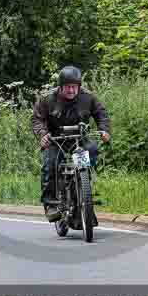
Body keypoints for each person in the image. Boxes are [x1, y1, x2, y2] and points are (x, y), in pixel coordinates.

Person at [31, 66, 111, 222]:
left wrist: (104, 130)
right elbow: (36, 119)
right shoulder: (48, 99)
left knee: (92, 150)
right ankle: (51, 204)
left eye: (74, 86)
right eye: (68, 86)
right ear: (61, 86)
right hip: (55, 140)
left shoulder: (88, 97)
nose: (71, 90)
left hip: (79, 139)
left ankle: (83, 187)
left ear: (79, 86)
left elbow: (102, 114)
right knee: (50, 163)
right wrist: (43, 134)